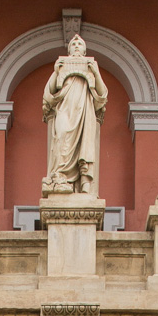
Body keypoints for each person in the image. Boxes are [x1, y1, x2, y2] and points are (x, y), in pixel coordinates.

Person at [41, 35, 108, 196]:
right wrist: (56, 72)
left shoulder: (91, 69)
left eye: (80, 44)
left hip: (83, 112)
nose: (77, 46)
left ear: (84, 51)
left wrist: (96, 73)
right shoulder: (62, 67)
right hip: (64, 109)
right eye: (74, 44)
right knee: (61, 137)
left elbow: (102, 96)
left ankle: (80, 182)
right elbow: (49, 94)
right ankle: (58, 176)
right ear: (69, 49)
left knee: (82, 145)